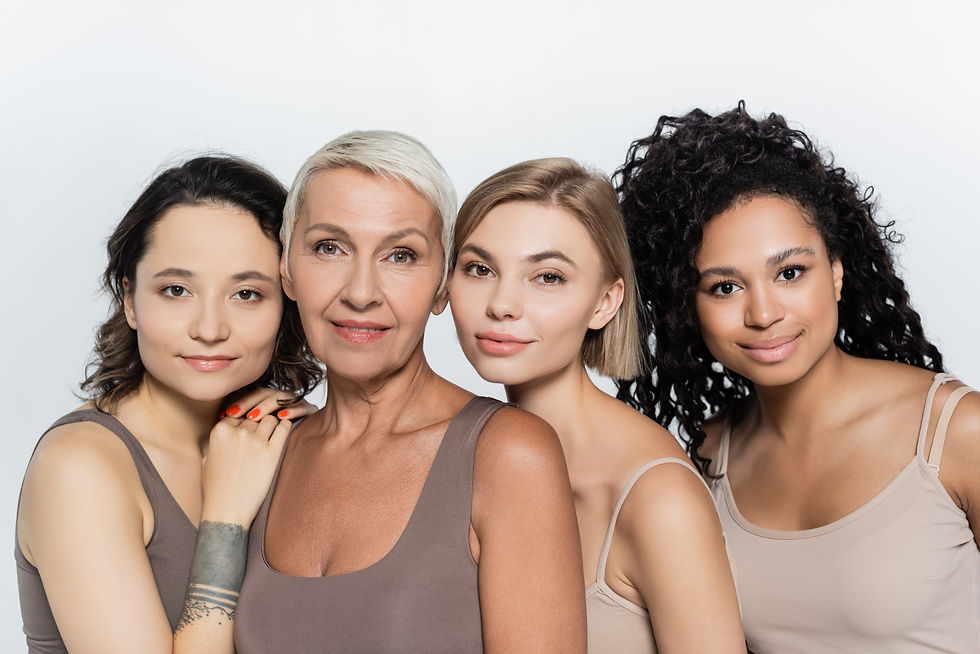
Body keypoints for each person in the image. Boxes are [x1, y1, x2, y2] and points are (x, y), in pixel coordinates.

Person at [616, 103, 980, 653]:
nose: (763, 314)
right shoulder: (702, 460)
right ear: (685, 308)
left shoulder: (956, 434)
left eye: (790, 272)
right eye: (724, 287)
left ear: (836, 272)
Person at [234, 131, 586, 653]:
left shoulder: (507, 453)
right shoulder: (261, 447)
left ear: (443, 284)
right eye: (329, 248)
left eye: (400, 256)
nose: (360, 292)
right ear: (287, 269)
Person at [15, 156, 323, 654]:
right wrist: (224, 519)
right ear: (130, 299)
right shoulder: (80, 465)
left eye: (246, 293)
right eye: (176, 290)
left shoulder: (276, 437)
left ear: (286, 304)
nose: (209, 328)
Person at [448, 157, 745, 653]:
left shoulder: (657, 496)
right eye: (479, 269)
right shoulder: (455, 457)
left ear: (605, 302)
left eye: (547, 277)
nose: (501, 304)